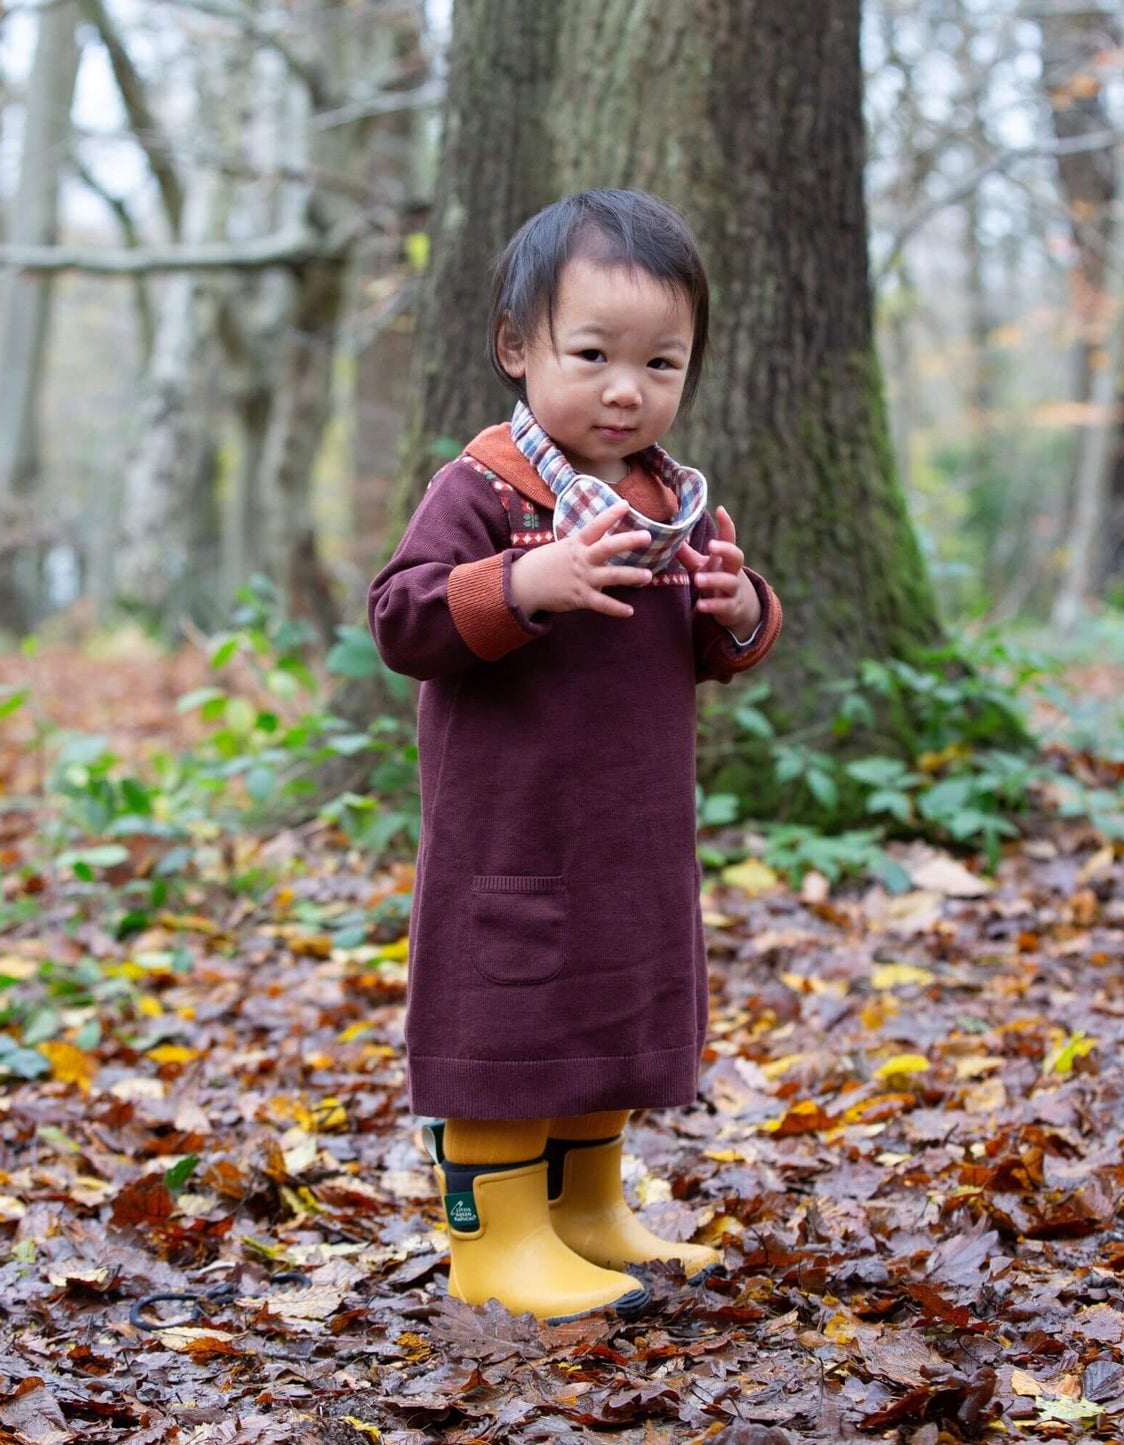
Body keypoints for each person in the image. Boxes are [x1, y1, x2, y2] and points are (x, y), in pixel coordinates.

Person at [367, 188, 781, 1322]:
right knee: (510, 1015)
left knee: (612, 1003)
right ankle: (496, 1239)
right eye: (592, 353)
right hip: (514, 832)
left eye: (660, 362)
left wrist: (733, 600)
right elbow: (401, 618)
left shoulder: (666, 501)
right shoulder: (489, 489)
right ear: (516, 346)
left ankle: (588, 1208)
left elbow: (712, 647)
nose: (624, 388)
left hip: (628, 831)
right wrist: (519, 583)